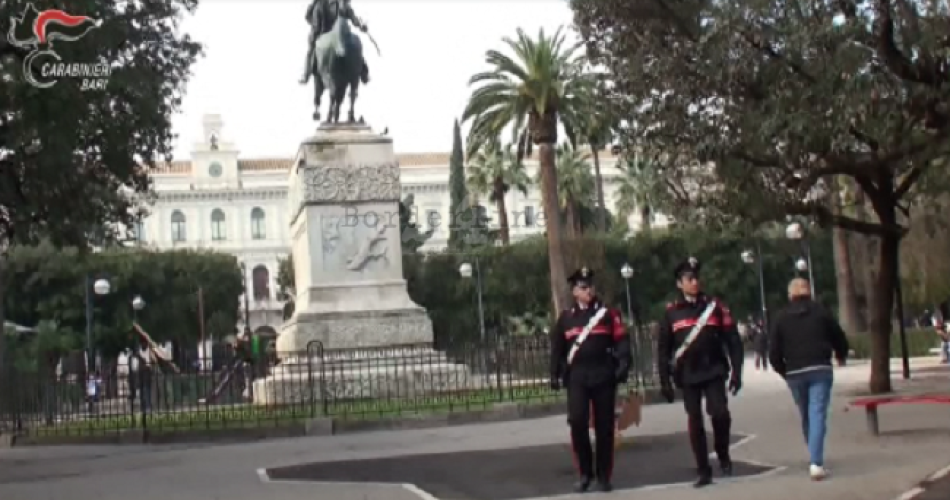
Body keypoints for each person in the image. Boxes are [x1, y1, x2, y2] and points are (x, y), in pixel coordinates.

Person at [656, 257, 744, 488]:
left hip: (714, 369)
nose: (695, 282)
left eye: (697, 278)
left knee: (720, 414)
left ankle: (723, 453)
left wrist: (737, 371)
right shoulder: (672, 312)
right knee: (695, 421)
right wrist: (664, 380)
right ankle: (703, 469)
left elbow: (733, 340)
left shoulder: (715, 307)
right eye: (689, 279)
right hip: (688, 373)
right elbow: (663, 348)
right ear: (679, 284)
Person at [549, 267, 632, 493]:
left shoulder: (608, 315)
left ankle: (604, 475)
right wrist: (554, 373)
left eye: (590, 286)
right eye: (583, 287)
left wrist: (623, 364)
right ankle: (585, 473)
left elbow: (622, 341)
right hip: (578, 377)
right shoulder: (566, 318)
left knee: (605, 427)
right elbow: (558, 348)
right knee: (577, 422)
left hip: (603, 375)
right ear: (575, 291)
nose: (589, 290)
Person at [769, 277, 849, 481]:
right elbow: (838, 336)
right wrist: (841, 354)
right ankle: (816, 461)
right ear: (809, 292)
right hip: (820, 367)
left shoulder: (781, 317)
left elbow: (774, 351)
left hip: (795, 372)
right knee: (817, 414)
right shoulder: (821, 312)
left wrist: (783, 371)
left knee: (806, 415)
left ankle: (814, 455)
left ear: (790, 295)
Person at [299, 0, 369, 85]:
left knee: (354, 43)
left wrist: (361, 25)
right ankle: (306, 74)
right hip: (320, 32)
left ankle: (362, 70)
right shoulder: (317, 3)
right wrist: (316, 27)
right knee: (311, 49)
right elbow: (308, 17)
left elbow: (352, 17)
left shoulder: (342, 3)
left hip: (337, 32)